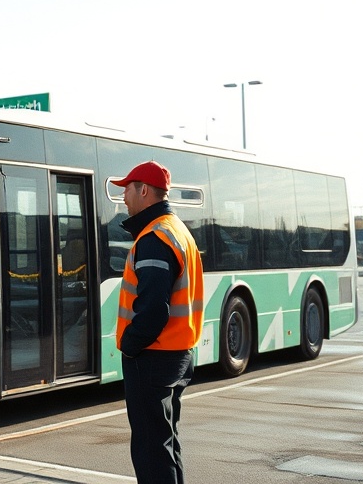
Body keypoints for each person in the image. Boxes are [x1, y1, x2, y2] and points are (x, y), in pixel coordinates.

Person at [111, 161, 204, 484]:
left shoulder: (154, 237)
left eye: (127, 189)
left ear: (144, 191)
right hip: (178, 353)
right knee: (165, 444)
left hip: (153, 357)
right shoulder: (176, 230)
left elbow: (153, 310)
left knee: (151, 450)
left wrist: (129, 346)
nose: (123, 197)